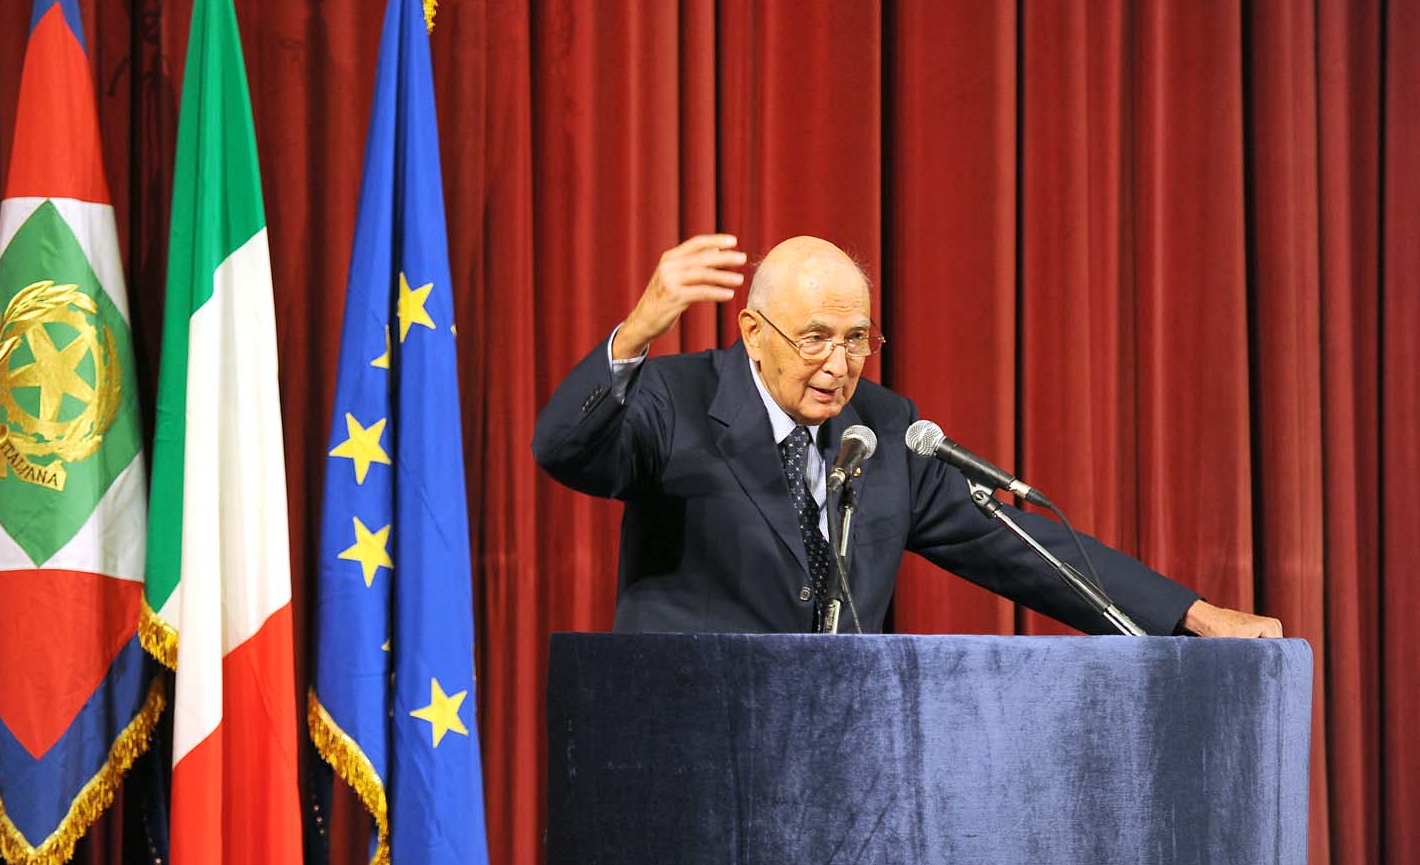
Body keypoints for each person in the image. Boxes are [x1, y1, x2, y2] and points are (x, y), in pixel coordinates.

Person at [532, 233, 1283, 638]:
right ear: (753, 335)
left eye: (858, 338)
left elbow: (1019, 550)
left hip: (843, 764)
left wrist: (1187, 613)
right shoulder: (675, 398)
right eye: (816, 338)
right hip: (686, 751)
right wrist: (634, 335)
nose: (839, 363)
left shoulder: (883, 427)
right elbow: (564, 450)